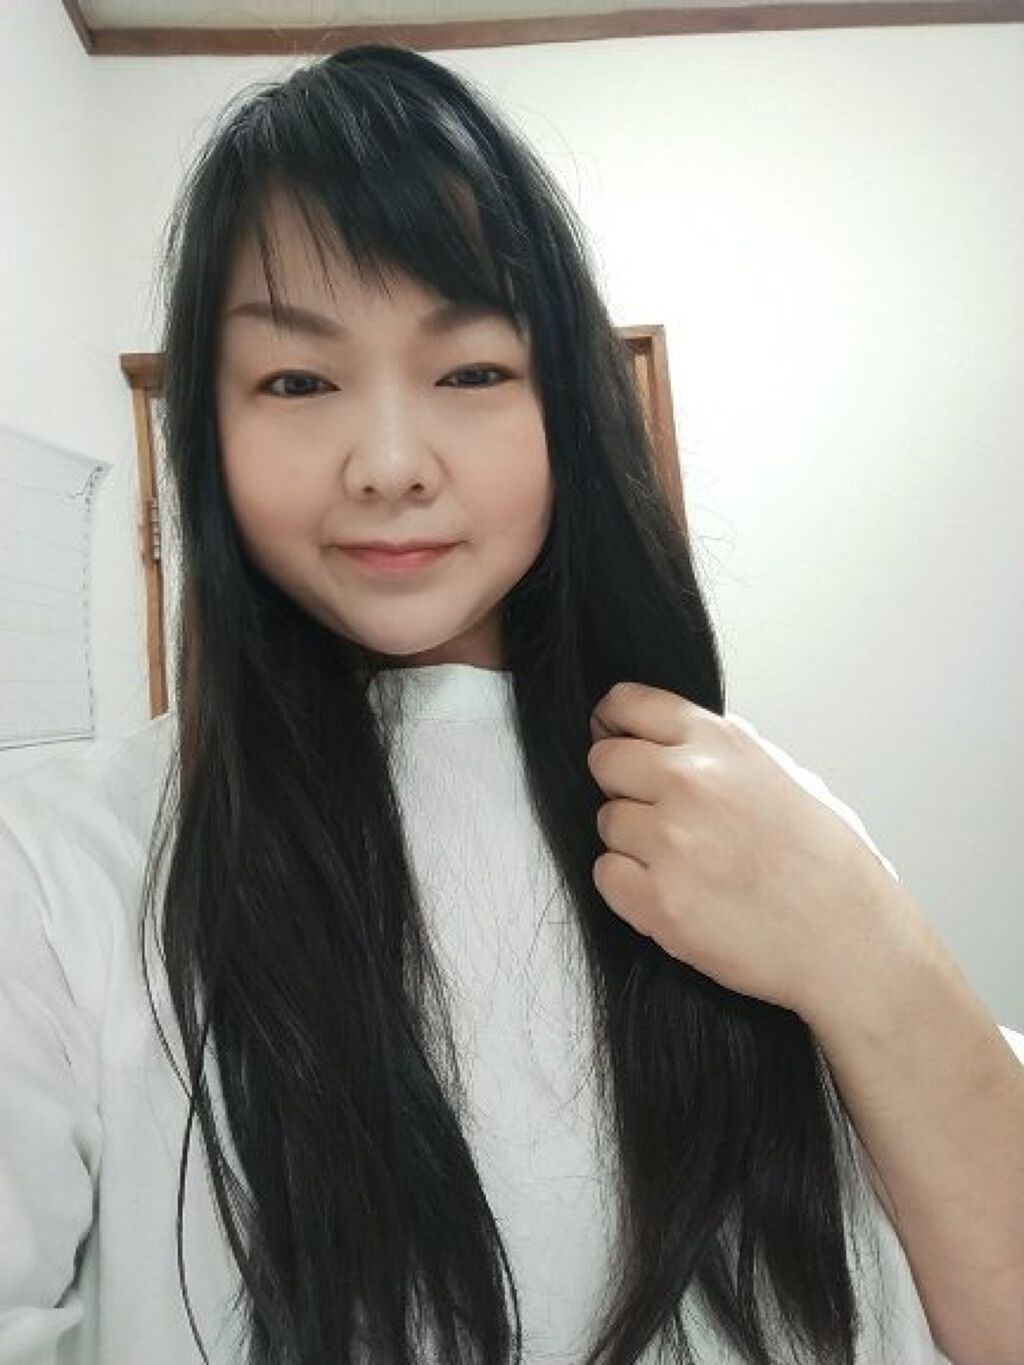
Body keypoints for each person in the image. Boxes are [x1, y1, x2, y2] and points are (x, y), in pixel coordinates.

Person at [0, 43, 1021, 1365]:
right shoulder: (60, 863)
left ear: (568, 409)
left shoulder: (757, 819)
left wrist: (870, 944)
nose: (388, 464)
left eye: (473, 371)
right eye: (296, 381)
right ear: (207, 428)